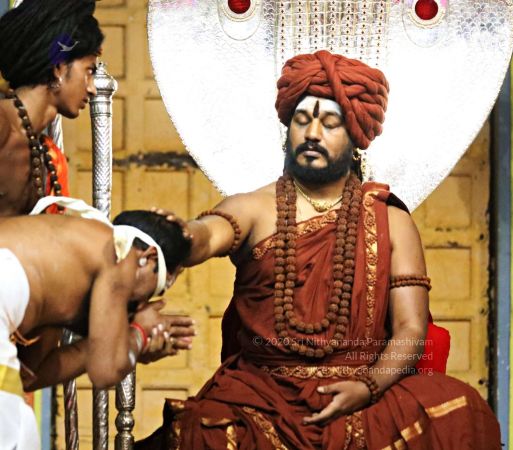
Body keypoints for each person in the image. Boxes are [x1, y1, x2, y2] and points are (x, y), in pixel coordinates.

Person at [137, 50, 500, 449]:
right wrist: (176, 236)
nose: (312, 133)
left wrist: (369, 385)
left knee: (462, 408)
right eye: (302, 120)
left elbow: (410, 329)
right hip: (260, 396)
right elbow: (207, 236)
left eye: (330, 123)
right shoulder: (255, 207)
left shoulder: (390, 220)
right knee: (205, 430)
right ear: (287, 130)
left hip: (361, 394)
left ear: (355, 137)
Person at [0, 198, 195, 450]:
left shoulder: (63, 269)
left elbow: (29, 376)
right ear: (147, 258)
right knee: (19, 431)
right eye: (158, 287)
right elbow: (105, 372)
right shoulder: (121, 254)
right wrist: (139, 335)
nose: (142, 304)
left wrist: (122, 340)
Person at [0, 0, 104, 216]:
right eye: (89, 71)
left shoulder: (51, 158)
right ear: (59, 68)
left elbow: (52, 232)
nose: (93, 89)